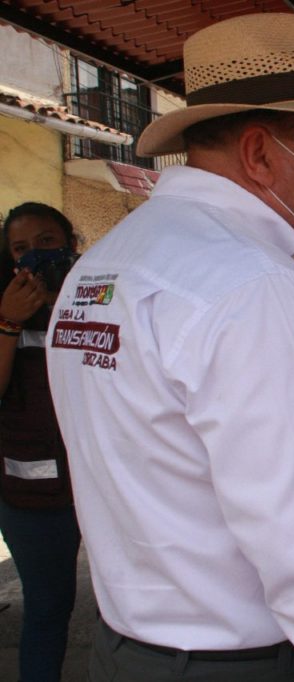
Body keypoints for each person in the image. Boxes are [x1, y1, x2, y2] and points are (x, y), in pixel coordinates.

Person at [45, 14, 294, 682]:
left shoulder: (102, 267)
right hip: (242, 663)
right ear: (259, 154)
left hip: (125, 652)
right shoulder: (253, 287)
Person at [0, 202, 81, 682]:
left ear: (70, 244)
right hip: (32, 498)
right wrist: (8, 321)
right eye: (21, 248)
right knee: (48, 611)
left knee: (132, 604)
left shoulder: (96, 299)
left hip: (104, 486)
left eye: (46, 243)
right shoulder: (4, 310)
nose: (34, 256)